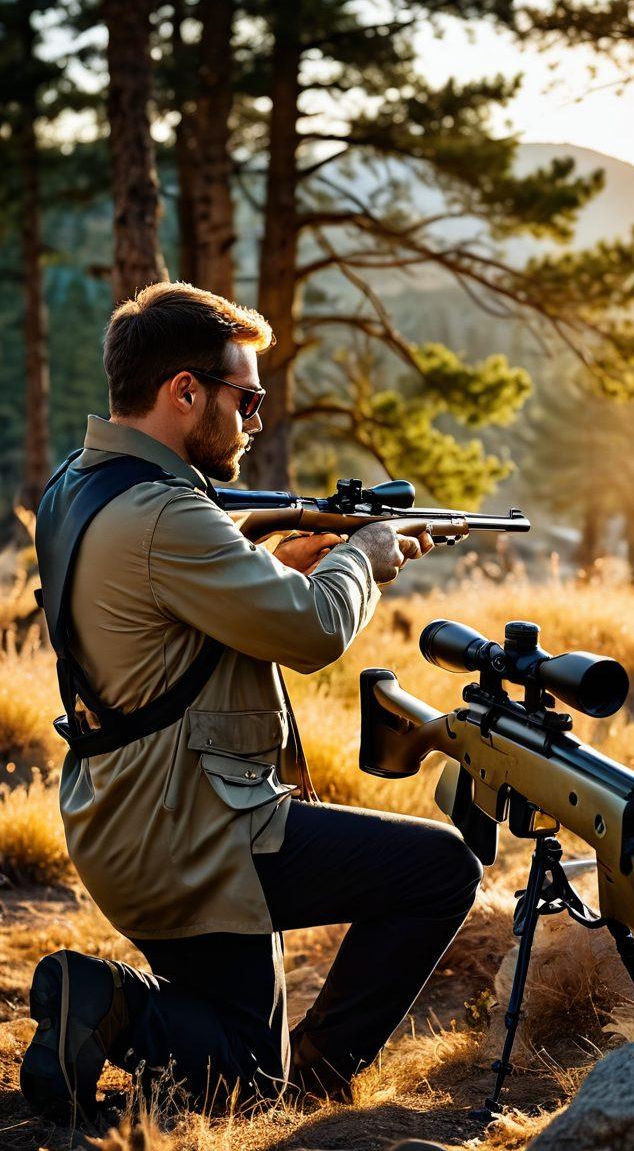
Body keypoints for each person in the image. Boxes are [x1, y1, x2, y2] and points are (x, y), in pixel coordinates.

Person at [20, 282, 483, 1124]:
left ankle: (108, 1003)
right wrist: (363, 556)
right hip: (193, 827)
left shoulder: (79, 484)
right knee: (442, 869)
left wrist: (283, 564)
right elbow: (310, 635)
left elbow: (163, 612)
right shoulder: (169, 513)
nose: (257, 419)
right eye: (248, 397)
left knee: (231, 1072)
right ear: (185, 391)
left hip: (121, 814)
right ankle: (313, 1083)